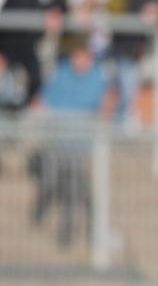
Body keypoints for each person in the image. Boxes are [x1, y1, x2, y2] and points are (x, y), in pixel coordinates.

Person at [32, 40, 108, 247]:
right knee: (50, 180)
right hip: (56, 141)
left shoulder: (98, 78)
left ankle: (66, 233)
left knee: (73, 190)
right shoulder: (62, 74)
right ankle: (40, 207)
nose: (79, 61)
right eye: (76, 56)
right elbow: (44, 100)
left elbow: (104, 107)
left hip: (79, 146)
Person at [0, 0, 64, 105]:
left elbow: (59, 3)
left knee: (34, 79)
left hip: (29, 38)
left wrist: (55, 12)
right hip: (9, 35)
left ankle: (18, 108)